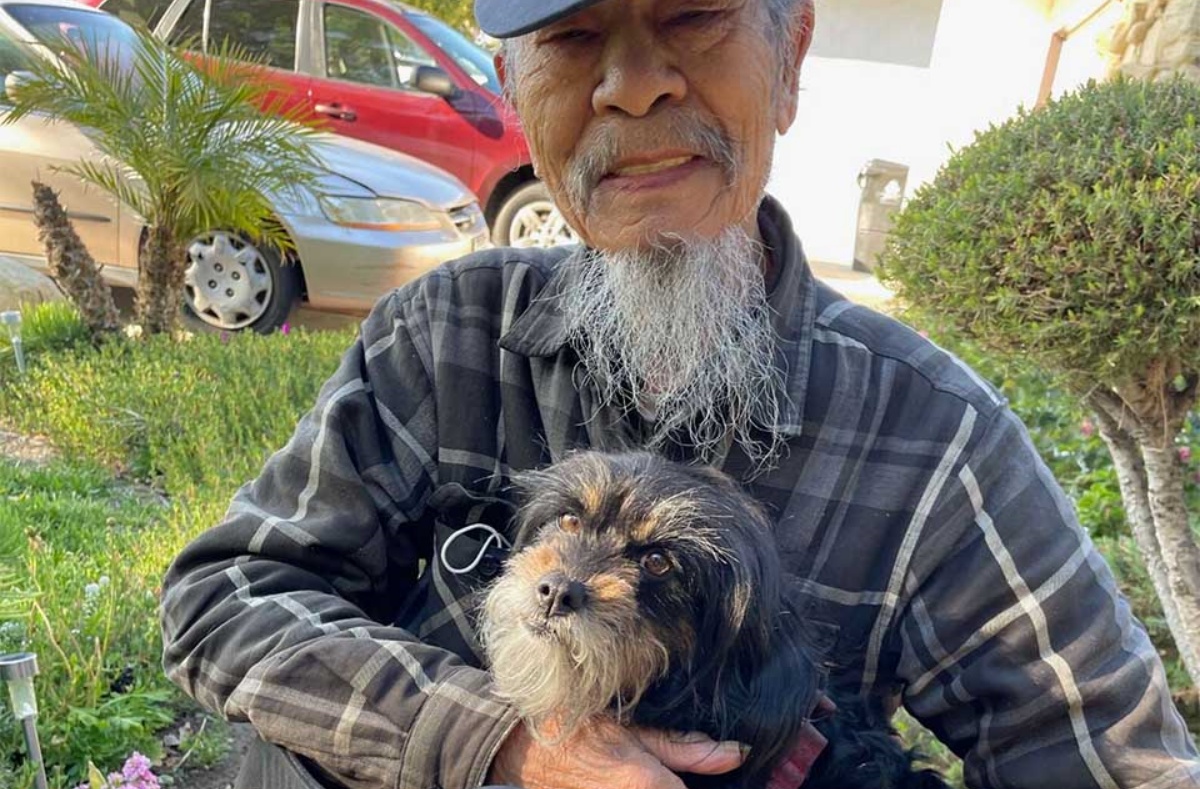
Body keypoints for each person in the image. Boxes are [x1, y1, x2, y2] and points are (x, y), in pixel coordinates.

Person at [159, 1, 1200, 787]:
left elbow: (1115, 762)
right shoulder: (444, 337)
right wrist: (500, 740)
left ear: (790, 59)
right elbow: (223, 600)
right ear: (513, 86)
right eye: (571, 37)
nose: (634, 86)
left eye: (692, 14)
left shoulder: (937, 441)